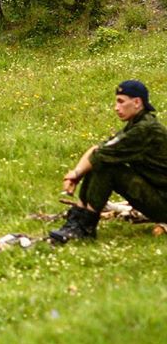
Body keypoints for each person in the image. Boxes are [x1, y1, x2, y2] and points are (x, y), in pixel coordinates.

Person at [50, 80, 167, 243]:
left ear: (137, 102)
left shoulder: (145, 129)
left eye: (121, 102)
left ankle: (85, 227)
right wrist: (75, 174)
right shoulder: (137, 124)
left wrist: (75, 175)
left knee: (107, 167)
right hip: (157, 194)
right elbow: (97, 149)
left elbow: (100, 155)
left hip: (163, 200)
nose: (116, 107)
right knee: (101, 161)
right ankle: (77, 221)